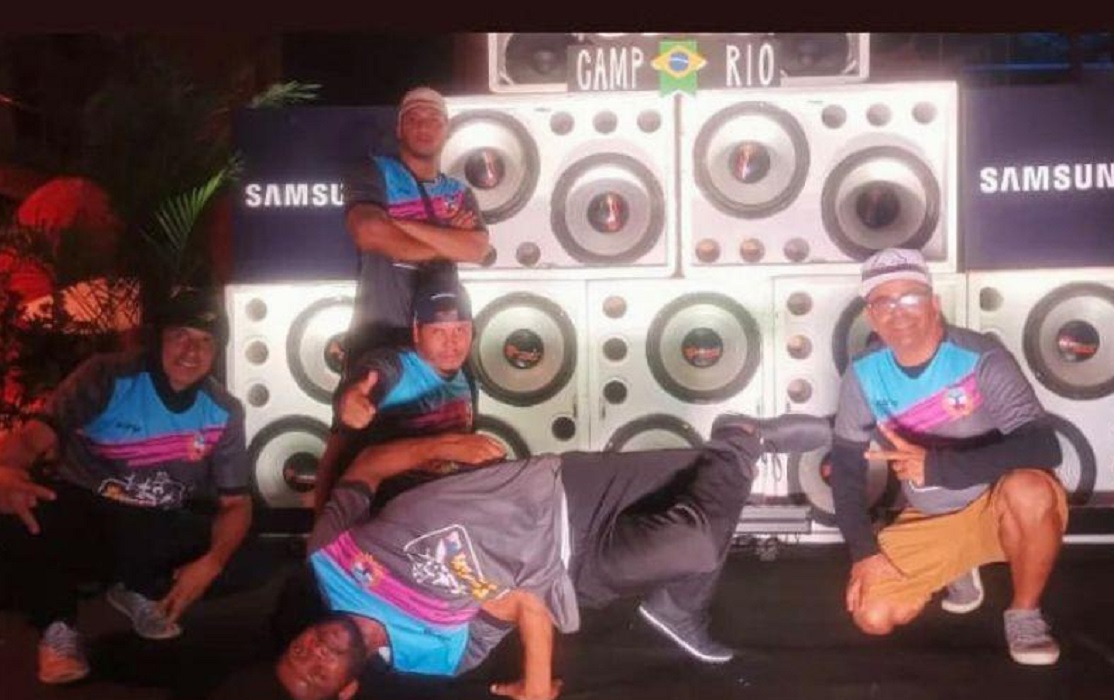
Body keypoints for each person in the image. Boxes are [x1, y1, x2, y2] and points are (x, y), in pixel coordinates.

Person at [275, 407, 832, 700]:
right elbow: (526, 606)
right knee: (699, 536)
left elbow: (367, 466)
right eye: (318, 674)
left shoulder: (328, 560)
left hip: (558, 486)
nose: (313, 654)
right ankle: (741, 438)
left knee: (704, 477)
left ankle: (680, 604)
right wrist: (537, 685)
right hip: (572, 565)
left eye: (299, 653)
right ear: (347, 690)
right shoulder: (432, 658)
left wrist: (441, 445)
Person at [0, 287, 253, 684]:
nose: (192, 351)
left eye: (206, 341)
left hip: (156, 520)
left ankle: (135, 587)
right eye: (180, 336)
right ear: (158, 338)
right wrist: (5, 468)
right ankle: (57, 627)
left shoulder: (224, 409)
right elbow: (34, 437)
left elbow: (236, 503)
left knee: (246, 556)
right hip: (87, 509)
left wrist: (211, 564)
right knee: (28, 511)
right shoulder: (107, 376)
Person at [829, 247, 1067, 666]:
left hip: (1000, 508)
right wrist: (864, 554)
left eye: (911, 297)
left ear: (934, 303)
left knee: (1029, 489)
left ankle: (1024, 613)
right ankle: (957, 564)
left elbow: (1044, 446)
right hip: (933, 516)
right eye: (884, 302)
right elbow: (846, 470)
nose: (898, 312)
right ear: (871, 315)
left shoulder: (981, 359)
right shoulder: (863, 373)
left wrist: (939, 467)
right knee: (874, 616)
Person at [315, 85, 490, 514]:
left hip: (440, 327)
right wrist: (445, 237)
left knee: (446, 422)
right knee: (349, 428)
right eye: (414, 118)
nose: (425, 126)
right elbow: (368, 232)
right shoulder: (373, 172)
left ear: (446, 129)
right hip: (380, 324)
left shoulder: (458, 191)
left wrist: (401, 226)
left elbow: (477, 248)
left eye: (434, 118)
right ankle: (323, 529)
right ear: (399, 128)